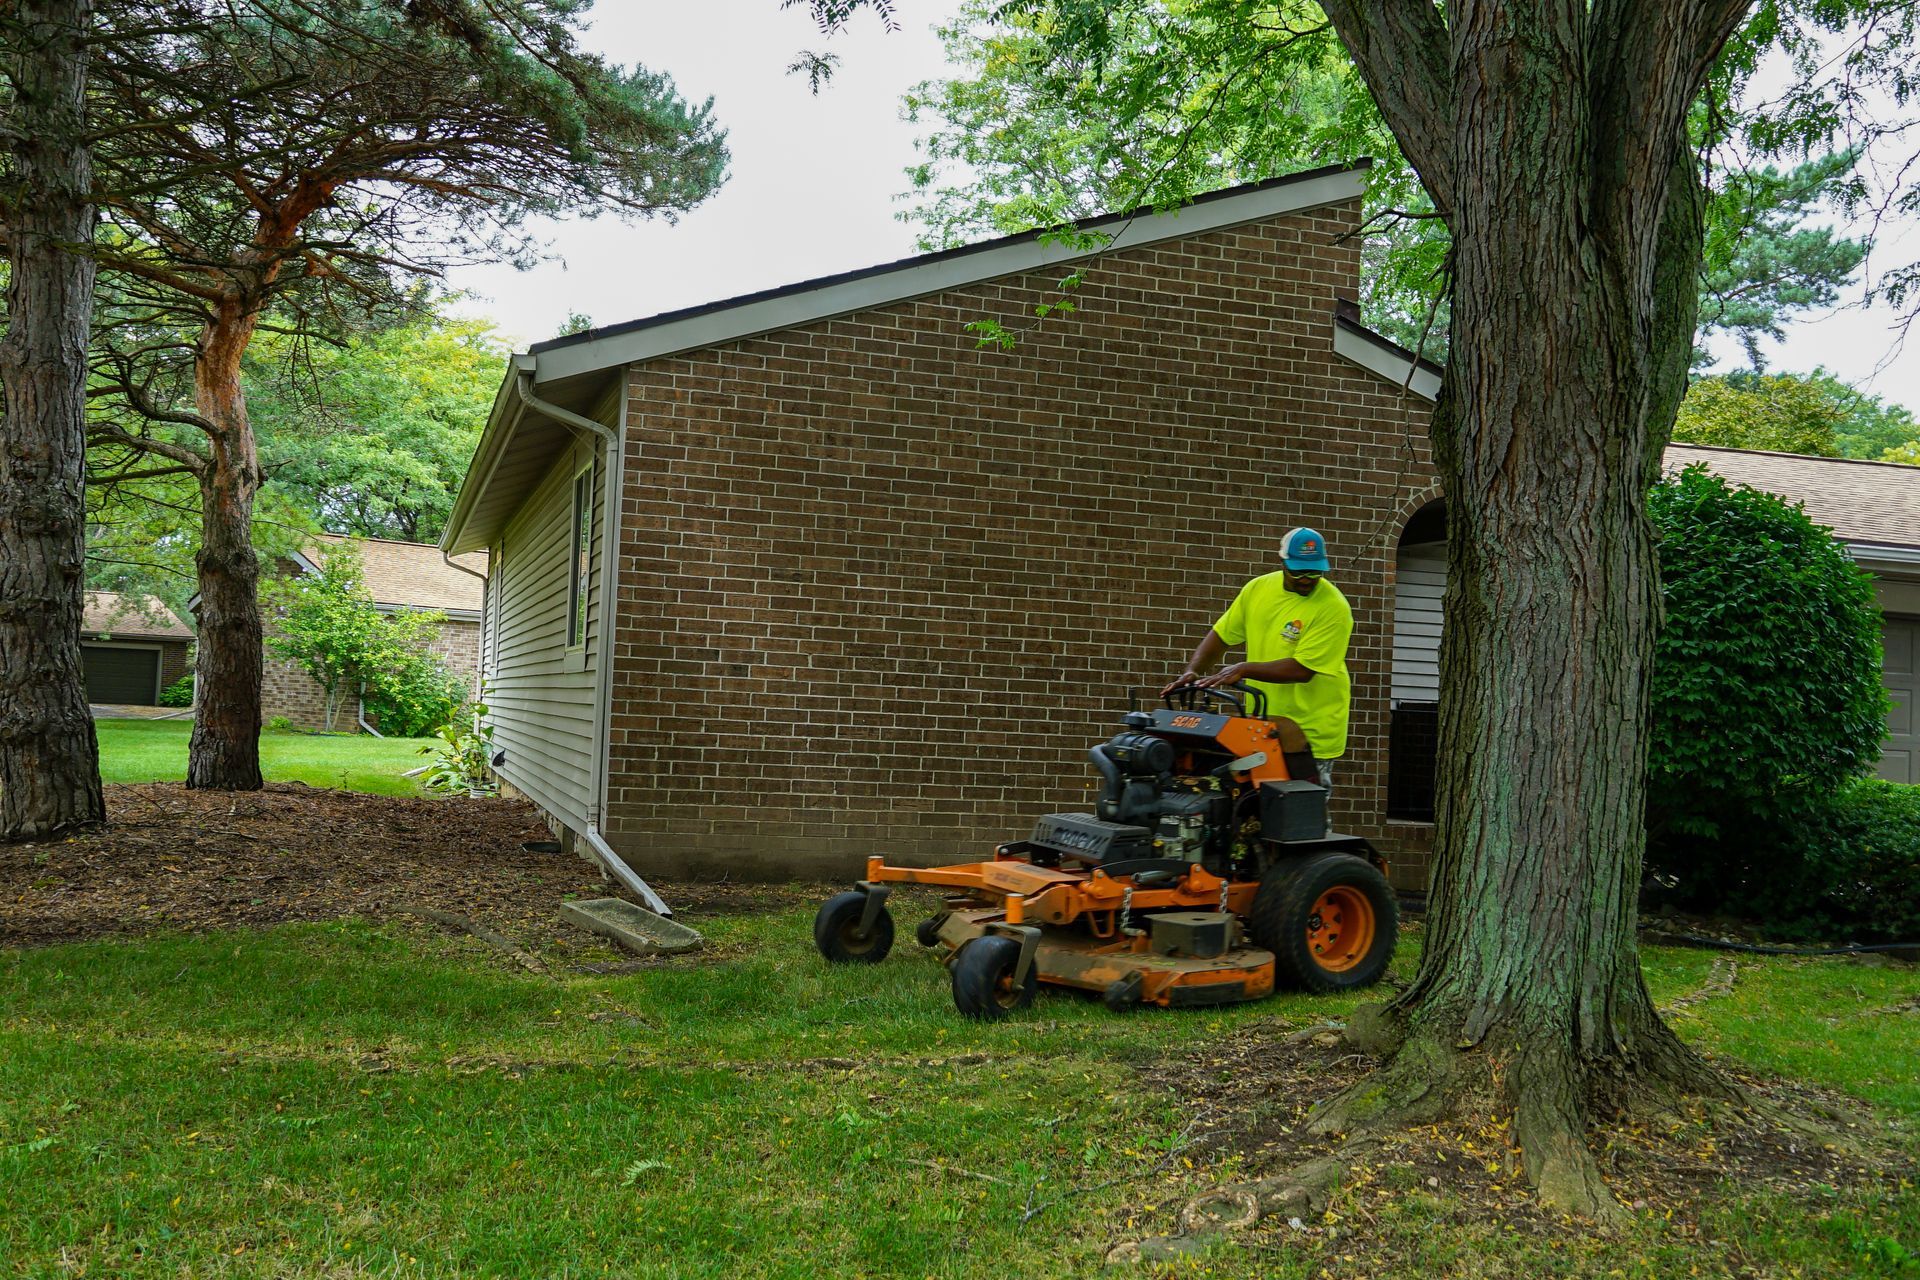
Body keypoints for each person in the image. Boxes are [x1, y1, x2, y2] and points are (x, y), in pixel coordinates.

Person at [1160, 527, 1354, 798]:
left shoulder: (1333, 608)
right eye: (1298, 571)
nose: (1307, 579)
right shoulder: (1258, 589)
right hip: (1261, 727)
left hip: (1309, 731)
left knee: (1299, 818)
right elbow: (1221, 635)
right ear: (1283, 561)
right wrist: (1193, 671)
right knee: (1249, 814)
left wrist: (1243, 668)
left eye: (1314, 572)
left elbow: (1303, 669)